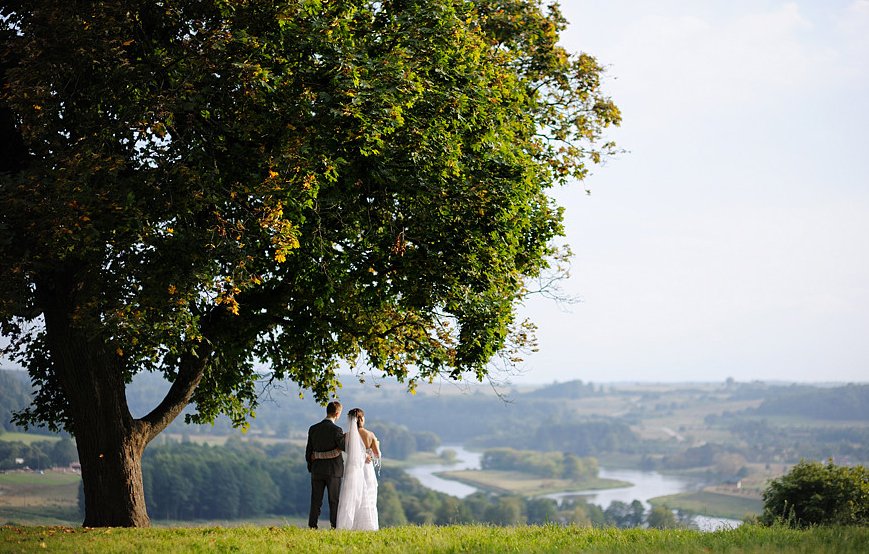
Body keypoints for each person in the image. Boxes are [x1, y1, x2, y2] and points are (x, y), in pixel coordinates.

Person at [336, 407, 381, 530]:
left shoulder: (347, 436)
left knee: (352, 495)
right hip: (366, 468)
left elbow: (344, 450)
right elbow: (377, 455)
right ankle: (368, 525)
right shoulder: (370, 435)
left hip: (353, 469)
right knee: (368, 495)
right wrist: (374, 446)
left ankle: (350, 525)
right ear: (362, 418)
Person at [305, 400, 345, 529]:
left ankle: (312, 525)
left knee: (316, 500)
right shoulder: (337, 430)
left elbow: (308, 451)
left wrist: (311, 467)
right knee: (334, 500)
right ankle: (334, 526)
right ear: (337, 413)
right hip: (333, 470)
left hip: (317, 469)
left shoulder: (313, 428)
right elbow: (343, 447)